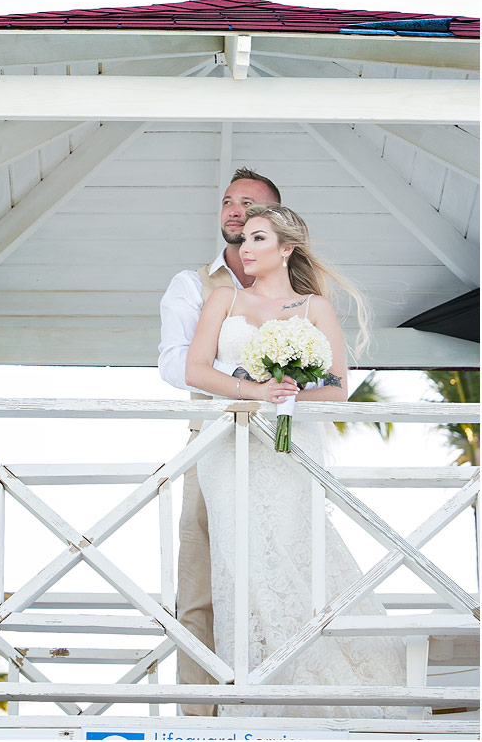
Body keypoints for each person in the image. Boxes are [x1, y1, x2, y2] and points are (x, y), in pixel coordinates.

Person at [185, 204, 406, 718]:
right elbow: (196, 370)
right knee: (239, 562)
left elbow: (336, 389)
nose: (246, 247)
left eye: (259, 238)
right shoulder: (224, 298)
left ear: (286, 250)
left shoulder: (313, 309)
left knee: (291, 549)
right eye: (244, 240)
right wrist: (254, 390)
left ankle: (312, 684)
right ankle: (253, 692)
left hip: (289, 452)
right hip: (232, 449)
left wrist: (292, 391)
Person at [158, 167, 281, 715]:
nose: (234, 211)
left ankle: (276, 702)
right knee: (199, 576)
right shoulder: (193, 284)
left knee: (277, 572)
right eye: (228, 202)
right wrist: (247, 383)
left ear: (273, 220)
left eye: (249, 204)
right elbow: (172, 365)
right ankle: (199, 715)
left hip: (279, 452)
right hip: (209, 445)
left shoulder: (296, 291)